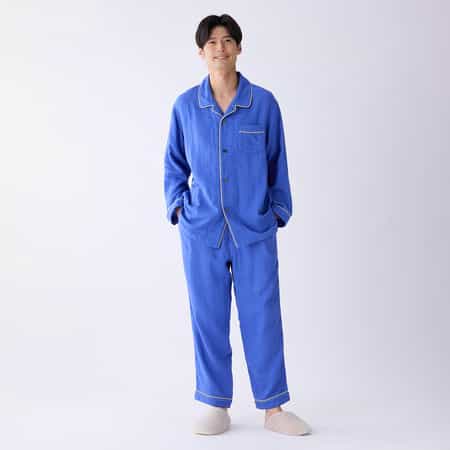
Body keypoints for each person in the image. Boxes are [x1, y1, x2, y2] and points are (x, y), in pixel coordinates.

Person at [163, 13, 312, 436]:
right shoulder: (185, 107)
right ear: (201, 52)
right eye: (212, 42)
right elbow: (174, 164)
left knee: (262, 316)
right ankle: (214, 402)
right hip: (202, 232)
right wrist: (179, 208)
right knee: (207, 317)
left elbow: (277, 162)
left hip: (254, 231)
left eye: (227, 40)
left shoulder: (262, 103)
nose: (220, 48)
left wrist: (276, 212)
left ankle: (273, 407)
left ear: (239, 48)